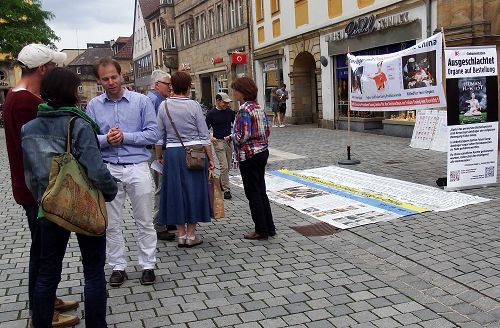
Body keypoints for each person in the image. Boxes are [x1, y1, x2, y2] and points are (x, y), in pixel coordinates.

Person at [22, 67, 118, 327]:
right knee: (94, 272)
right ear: (70, 92)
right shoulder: (78, 124)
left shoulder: (29, 128)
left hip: (49, 207)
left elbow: (29, 175)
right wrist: (110, 190)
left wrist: (43, 198)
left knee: (47, 273)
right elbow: (96, 169)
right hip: (83, 204)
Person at [3, 43, 81, 327]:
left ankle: (46, 301)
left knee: (41, 250)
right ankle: (44, 313)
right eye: (54, 67)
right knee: (45, 253)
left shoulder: (15, 95)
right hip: (38, 189)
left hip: (30, 187)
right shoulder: (27, 102)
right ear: (42, 69)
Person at [86, 58, 159, 287]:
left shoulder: (141, 101)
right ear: (99, 80)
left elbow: (153, 133)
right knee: (111, 223)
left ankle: (148, 264)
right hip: (109, 168)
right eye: (105, 78)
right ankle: (118, 266)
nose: (110, 82)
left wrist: (125, 137)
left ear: (121, 75)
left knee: (145, 221)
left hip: (137, 167)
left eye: (113, 77)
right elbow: (88, 140)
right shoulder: (94, 105)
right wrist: (107, 139)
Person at [156, 71, 215, 247]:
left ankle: (180, 234)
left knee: (175, 193)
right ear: (189, 87)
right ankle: (191, 235)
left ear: (172, 86)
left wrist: (159, 156)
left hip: (172, 154)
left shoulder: (163, 106)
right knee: (194, 191)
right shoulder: (194, 106)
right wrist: (211, 158)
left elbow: (159, 136)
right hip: (195, 152)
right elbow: (204, 135)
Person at [228, 76, 275, 240]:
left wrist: (232, 136)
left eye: (235, 90)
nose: (234, 93)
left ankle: (261, 230)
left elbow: (243, 136)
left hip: (249, 155)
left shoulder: (244, 110)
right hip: (262, 151)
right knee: (261, 190)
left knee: (252, 193)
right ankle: (269, 227)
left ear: (242, 92)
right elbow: (267, 130)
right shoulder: (258, 108)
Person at [146, 69, 175, 241]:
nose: (170, 87)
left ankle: (166, 219)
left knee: (164, 185)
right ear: (157, 85)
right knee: (160, 187)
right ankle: (159, 224)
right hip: (158, 150)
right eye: (167, 84)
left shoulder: (158, 99)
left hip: (160, 149)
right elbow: (156, 131)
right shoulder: (155, 101)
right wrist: (158, 154)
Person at [205, 92, 236, 200]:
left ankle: (222, 183)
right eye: (224, 102)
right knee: (224, 166)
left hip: (228, 141)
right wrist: (210, 137)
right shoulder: (211, 113)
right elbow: (204, 128)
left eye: (228, 103)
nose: (226, 104)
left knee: (227, 166)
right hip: (218, 141)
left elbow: (236, 124)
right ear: (218, 101)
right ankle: (227, 190)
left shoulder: (230, 112)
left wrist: (233, 135)